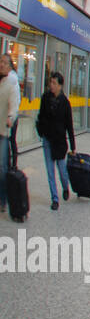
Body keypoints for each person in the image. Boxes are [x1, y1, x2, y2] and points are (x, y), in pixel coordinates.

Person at [36, 71, 75, 211]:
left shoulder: (65, 103)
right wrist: (40, 131)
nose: (51, 85)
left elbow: (69, 126)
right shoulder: (45, 98)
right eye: (50, 82)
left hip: (59, 142)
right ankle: (55, 198)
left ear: (60, 86)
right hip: (47, 139)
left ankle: (65, 187)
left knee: (62, 170)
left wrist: (73, 146)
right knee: (50, 171)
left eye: (54, 83)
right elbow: (40, 116)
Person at [0, 53, 19, 214]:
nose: (1, 64)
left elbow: (14, 105)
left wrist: (11, 117)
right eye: (0, 61)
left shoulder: (11, 83)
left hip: (3, 131)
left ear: (10, 66)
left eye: (4, 62)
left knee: (2, 167)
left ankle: (3, 199)